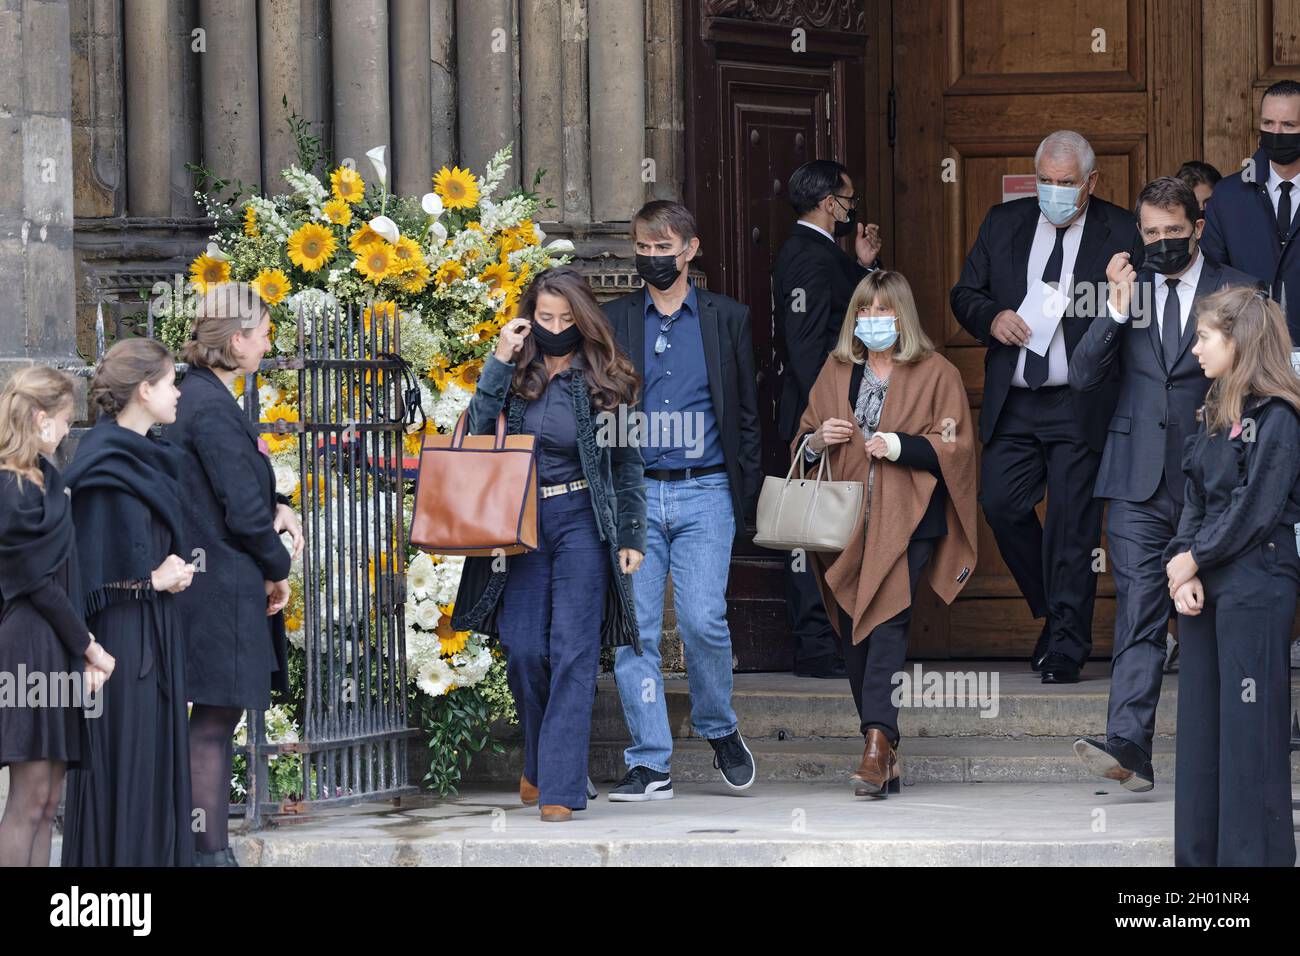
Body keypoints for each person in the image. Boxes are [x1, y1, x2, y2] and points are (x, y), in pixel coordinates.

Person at [1069, 177, 1260, 792]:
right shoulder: (1130, 289)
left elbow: (1259, 381)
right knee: (1140, 609)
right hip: (1136, 478)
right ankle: (1130, 745)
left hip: (1216, 480)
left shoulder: (1236, 289)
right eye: (1149, 232)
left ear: (1197, 228)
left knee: (1219, 613)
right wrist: (1115, 308)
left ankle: (1232, 751)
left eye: (1172, 232)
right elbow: (1081, 376)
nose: (1160, 242)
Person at [451, 267, 646, 822]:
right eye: (545, 318)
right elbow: (479, 427)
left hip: (584, 519)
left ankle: (560, 785)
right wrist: (499, 358)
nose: (556, 327)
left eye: (566, 319)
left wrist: (631, 533)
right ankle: (538, 762)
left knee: (574, 648)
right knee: (524, 647)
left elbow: (628, 463)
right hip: (520, 522)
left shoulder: (607, 377)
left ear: (583, 320)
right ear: (529, 317)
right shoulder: (516, 372)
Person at [950, 129, 1144, 683]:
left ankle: (1066, 646)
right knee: (1000, 504)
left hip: (1079, 402)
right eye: (1045, 182)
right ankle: (1054, 609)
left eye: (1066, 184)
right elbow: (964, 293)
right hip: (1016, 399)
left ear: (1091, 183)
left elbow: (1139, 313)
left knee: (1072, 528)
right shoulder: (1002, 222)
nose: (1054, 193)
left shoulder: (1121, 231)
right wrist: (991, 317)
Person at [601, 200, 762, 801]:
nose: (650, 260)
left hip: (707, 489)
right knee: (634, 631)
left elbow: (746, 413)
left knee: (702, 620)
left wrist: (746, 496)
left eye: (662, 250)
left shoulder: (728, 318)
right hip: (635, 496)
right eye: (641, 249)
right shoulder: (615, 318)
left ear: (690, 250)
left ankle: (719, 727)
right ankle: (650, 762)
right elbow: (599, 406)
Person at [796, 270, 977, 797]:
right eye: (865, 311)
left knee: (890, 620)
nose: (874, 321)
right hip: (845, 519)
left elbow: (957, 447)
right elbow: (804, 438)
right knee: (854, 627)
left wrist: (899, 446)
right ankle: (886, 747)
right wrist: (815, 442)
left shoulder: (935, 371)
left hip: (910, 516)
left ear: (903, 316)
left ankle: (877, 741)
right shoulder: (836, 369)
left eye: (884, 311)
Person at [164, 283, 304, 866]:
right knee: (215, 723)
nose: (270, 342)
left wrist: (275, 505)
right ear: (239, 339)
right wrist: (279, 566)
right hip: (218, 584)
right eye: (265, 332)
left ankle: (203, 851)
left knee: (211, 722)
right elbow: (240, 511)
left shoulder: (193, 396)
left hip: (208, 579)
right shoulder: (212, 406)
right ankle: (209, 854)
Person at [1163, 286, 1300, 867]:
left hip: (1257, 583)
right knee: (1200, 735)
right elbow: (1195, 492)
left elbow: (1256, 506)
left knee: (1249, 736)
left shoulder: (1279, 416)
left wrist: (1196, 557)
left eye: (1204, 337)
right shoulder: (1217, 408)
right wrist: (1180, 566)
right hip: (1206, 583)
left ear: (1238, 341)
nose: (1194, 349)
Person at [60, 338, 197, 866]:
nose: (178, 393)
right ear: (144, 390)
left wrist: (168, 576)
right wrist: (151, 581)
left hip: (153, 633)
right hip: (117, 644)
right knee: (127, 765)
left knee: (155, 764)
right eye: (169, 383)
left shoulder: (147, 456)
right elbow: (88, 571)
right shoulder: (102, 462)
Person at [771, 159, 884, 678]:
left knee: (829, 520)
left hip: (826, 411)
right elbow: (806, 345)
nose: (852, 208)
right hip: (816, 414)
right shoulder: (807, 256)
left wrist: (861, 266)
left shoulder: (824, 253)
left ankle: (832, 635)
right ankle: (815, 643)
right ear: (827, 202)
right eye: (848, 198)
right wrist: (829, 416)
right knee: (806, 522)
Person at [0, 365, 116, 866]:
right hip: (29, 644)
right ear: (41, 418)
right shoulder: (9, 487)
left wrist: (80, 648)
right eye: (66, 420)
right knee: (27, 800)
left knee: (49, 801)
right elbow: (37, 583)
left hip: (60, 644)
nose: (69, 431)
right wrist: (89, 647)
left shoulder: (50, 479)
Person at [1201, 79, 1300, 343]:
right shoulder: (1228, 195)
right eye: (1268, 123)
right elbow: (1211, 276)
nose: (1277, 133)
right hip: (1250, 352)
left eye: (1289, 125)